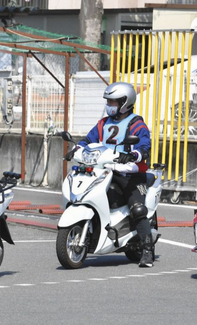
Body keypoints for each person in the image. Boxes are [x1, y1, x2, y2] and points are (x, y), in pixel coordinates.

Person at [65, 82, 154, 267]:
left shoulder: (137, 124)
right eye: (109, 102)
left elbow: (145, 147)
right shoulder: (103, 123)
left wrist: (134, 155)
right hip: (105, 170)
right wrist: (76, 149)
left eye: (114, 102)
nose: (110, 105)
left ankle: (147, 251)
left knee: (137, 209)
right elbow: (88, 140)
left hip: (130, 174)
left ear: (125, 102)